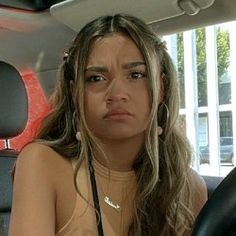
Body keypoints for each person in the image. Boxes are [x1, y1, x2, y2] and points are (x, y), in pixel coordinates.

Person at [9, 14, 207, 236]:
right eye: (96, 78)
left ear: (161, 87)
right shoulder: (43, 162)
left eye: (135, 74)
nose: (117, 94)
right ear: (75, 92)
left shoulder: (187, 185)